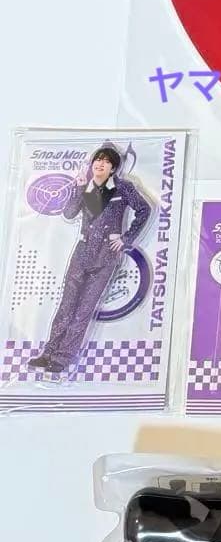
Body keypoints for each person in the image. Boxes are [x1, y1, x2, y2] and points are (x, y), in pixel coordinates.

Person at [28, 145, 153, 374]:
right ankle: (48, 352)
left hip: (106, 256)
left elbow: (144, 210)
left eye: (106, 161)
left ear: (113, 168)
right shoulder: (86, 186)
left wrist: (126, 238)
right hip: (82, 252)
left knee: (84, 309)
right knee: (66, 305)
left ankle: (63, 358)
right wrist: (78, 187)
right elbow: (68, 213)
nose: (100, 164)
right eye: (98, 159)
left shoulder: (123, 187)